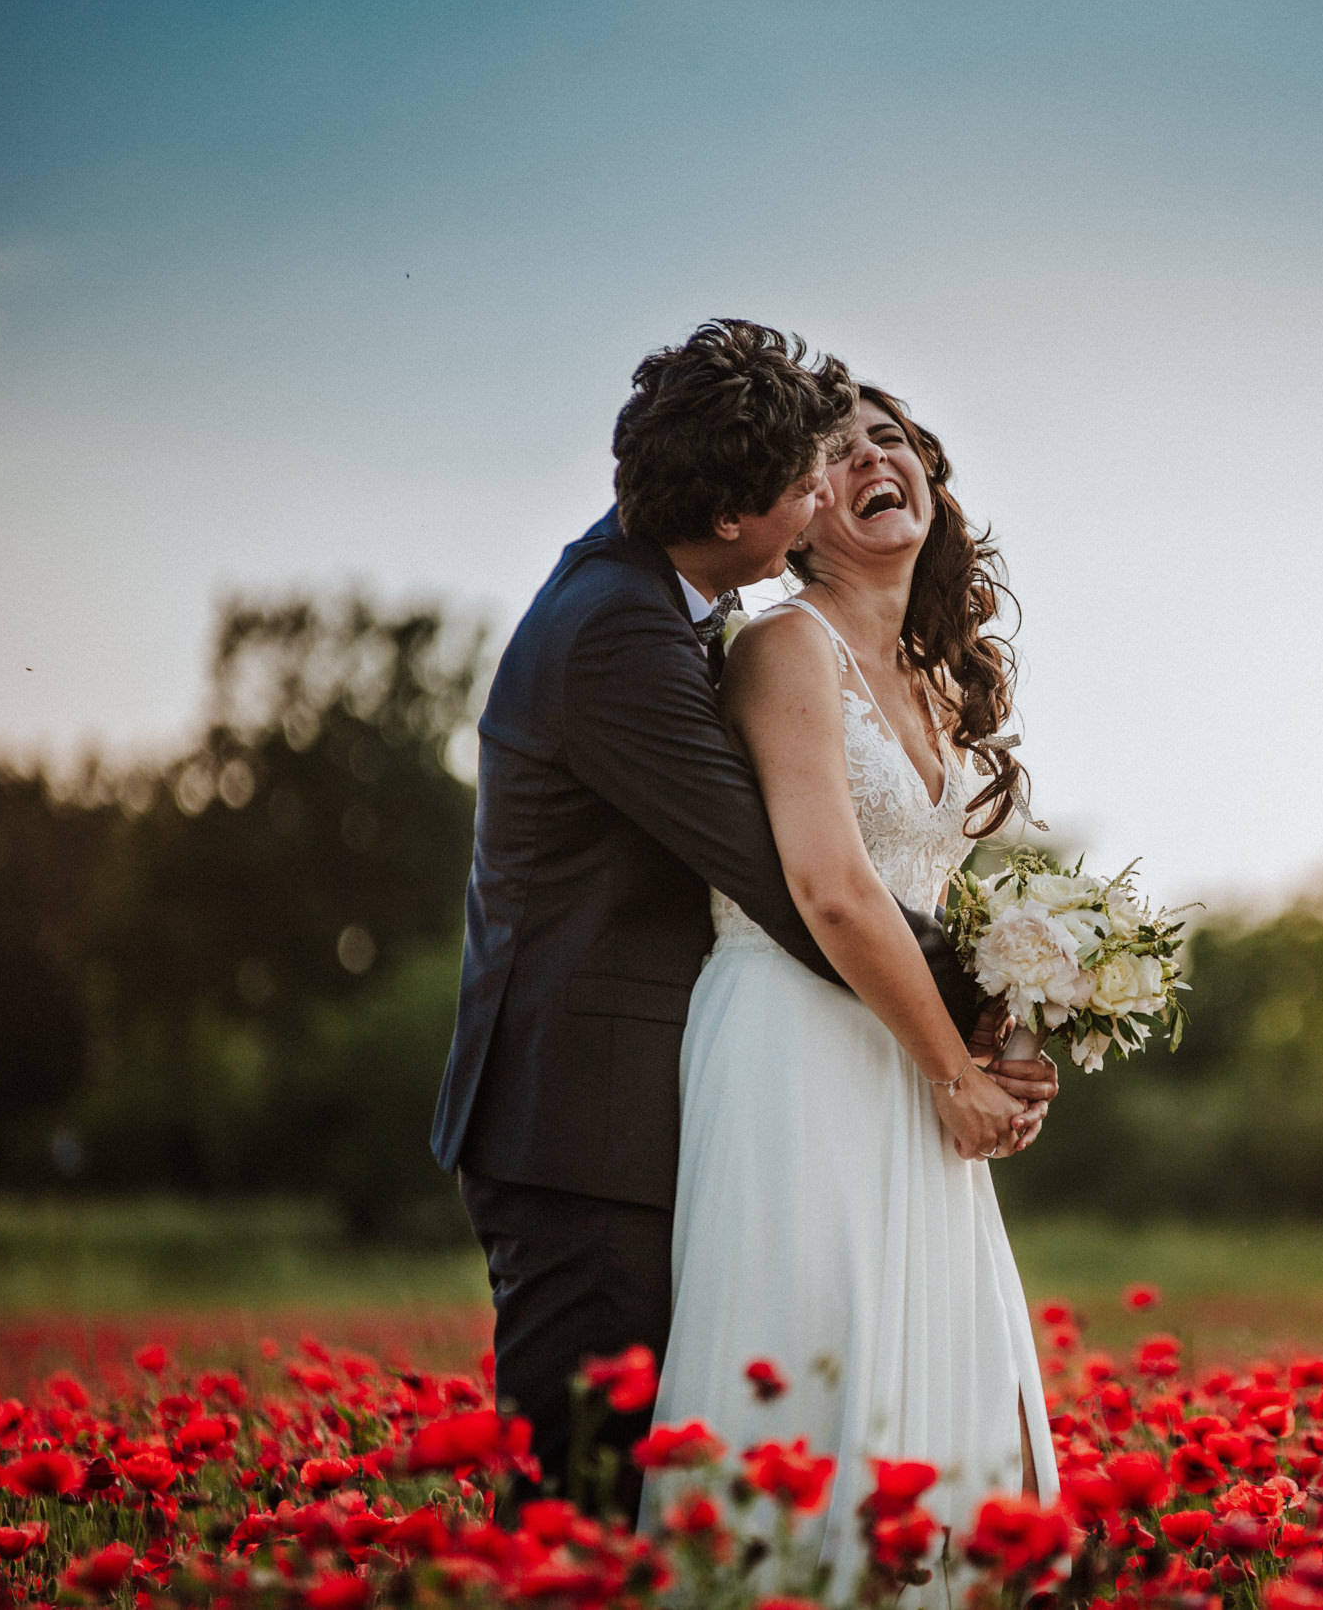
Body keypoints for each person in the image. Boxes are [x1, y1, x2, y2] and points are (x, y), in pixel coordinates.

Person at [427, 322, 1058, 1515]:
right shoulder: (623, 630)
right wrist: (979, 1009)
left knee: (707, 1446)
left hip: (694, 1084)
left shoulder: (649, 601)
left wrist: (1013, 992)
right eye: (806, 476)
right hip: (581, 1114)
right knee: (586, 1495)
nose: (833, 477)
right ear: (743, 524)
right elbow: (794, 881)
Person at [647, 383, 1061, 1587]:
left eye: (889, 436)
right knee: (812, 1353)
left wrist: (1000, 1047)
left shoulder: (938, 685)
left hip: (913, 1058)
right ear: (793, 510)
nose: (871, 457)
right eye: (832, 453)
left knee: (928, 1386)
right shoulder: (783, 645)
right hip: (794, 1044)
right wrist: (953, 1074)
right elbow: (828, 884)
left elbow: (947, 917)